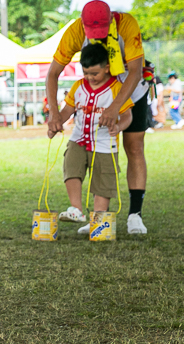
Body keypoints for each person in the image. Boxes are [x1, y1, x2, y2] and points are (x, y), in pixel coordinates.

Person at [45, 0, 150, 236]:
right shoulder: (75, 31)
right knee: (90, 155)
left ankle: (135, 214)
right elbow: (53, 72)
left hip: (130, 90)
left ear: (111, 20)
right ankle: (95, 218)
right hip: (96, 94)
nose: (98, 37)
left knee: (134, 147)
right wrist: (54, 113)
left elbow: (134, 70)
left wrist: (115, 108)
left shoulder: (127, 24)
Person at [50, 44, 134, 231]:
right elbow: (67, 111)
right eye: (86, 73)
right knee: (71, 166)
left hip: (105, 144)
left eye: (94, 73)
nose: (89, 77)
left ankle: (98, 221)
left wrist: (119, 127)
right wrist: (56, 124)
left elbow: (128, 116)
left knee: (103, 182)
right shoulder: (78, 86)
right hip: (78, 139)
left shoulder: (116, 88)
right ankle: (76, 209)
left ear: (106, 68)